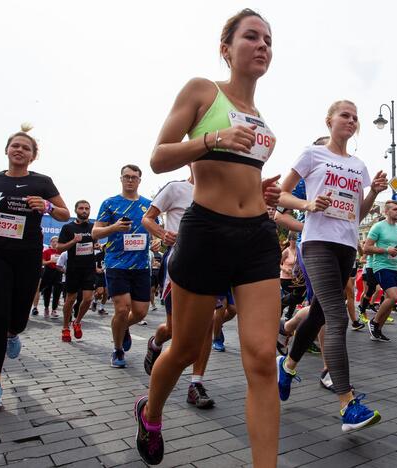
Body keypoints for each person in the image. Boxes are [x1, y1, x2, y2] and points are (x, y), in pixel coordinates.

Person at [134, 9, 283, 467]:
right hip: (205, 232)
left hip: (257, 236)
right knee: (183, 347)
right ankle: (150, 412)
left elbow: (238, 173)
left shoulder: (260, 116)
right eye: (251, 37)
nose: (262, 46)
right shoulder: (203, 91)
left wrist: (261, 190)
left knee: (261, 358)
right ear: (226, 49)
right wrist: (214, 137)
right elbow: (159, 157)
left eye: (268, 41)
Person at [276, 99, 388, 432]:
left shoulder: (359, 165)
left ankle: (288, 365)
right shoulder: (313, 155)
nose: (352, 121)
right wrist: (308, 203)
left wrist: (374, 193)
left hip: (346, 246)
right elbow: (281, 195)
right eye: (345, 115)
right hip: (317, 243)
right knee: (337, 315)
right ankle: (347, 404)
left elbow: (359, 214)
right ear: (329, 121)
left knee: (321, 312)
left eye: (356, 117)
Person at [0, 127, 70, 412]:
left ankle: (15, 333)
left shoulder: (42, 182)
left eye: (25, 148)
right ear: (6, 150)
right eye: (15, 146)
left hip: (27, 257)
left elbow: (64, 213)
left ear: (33, 156)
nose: (19, 150)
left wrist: (48, 206)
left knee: (18, 319)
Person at [141, 175, 216, 409]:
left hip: (212, 261)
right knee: (175, 330)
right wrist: (163, 234)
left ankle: (196, 383)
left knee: (208, 323)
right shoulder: (176, 188)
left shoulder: (221, 187)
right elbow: (148, 218)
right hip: (180, 259)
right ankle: (156, 341)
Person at [93, 164, 155, 369]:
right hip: (116, 263)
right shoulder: (110, 203)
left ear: (139, 180)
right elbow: (95, 233)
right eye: (126, 176)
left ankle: (123, 328)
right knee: (122, 309)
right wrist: (113, 227)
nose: (130, 180)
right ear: (121, 179)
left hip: (141, 266)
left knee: (140, 313)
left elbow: (154, 229)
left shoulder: (148, 204)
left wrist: (156, 239)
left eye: (134, 177)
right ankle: (118, 350)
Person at [364, 200, 397, 342]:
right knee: (394, 297)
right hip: (381, 266)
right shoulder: (378, 227)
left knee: (390, 300)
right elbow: (367, 248)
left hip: (394, 266)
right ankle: (374, 322)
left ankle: (378, 331)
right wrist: (385, 250)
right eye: (395, 209)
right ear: (386, 212)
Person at [56, 200, 96, 342]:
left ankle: (77, 321)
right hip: (73, 268)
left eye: (87, 208)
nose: (84, 210)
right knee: (70, 299)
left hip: (89, 268)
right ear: (76, 210)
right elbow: (59, 248)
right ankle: (65, 327)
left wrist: (96, 245)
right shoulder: (68, 228)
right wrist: (73, 241)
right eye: (81, 208)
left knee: (88, 299)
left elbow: (97, 241)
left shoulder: (93, 227)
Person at [39, 237, 62, 318]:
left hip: (58, 272)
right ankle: (46, 308)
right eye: (54, 241)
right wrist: (50, 261)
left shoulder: (61, 252)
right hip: (48, 272)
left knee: (57, 291)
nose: (55, 243)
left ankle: (54, 310)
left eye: (57, 241)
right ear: (51, 242)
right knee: (47, 290)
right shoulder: (46, 251)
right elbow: (42, 262)